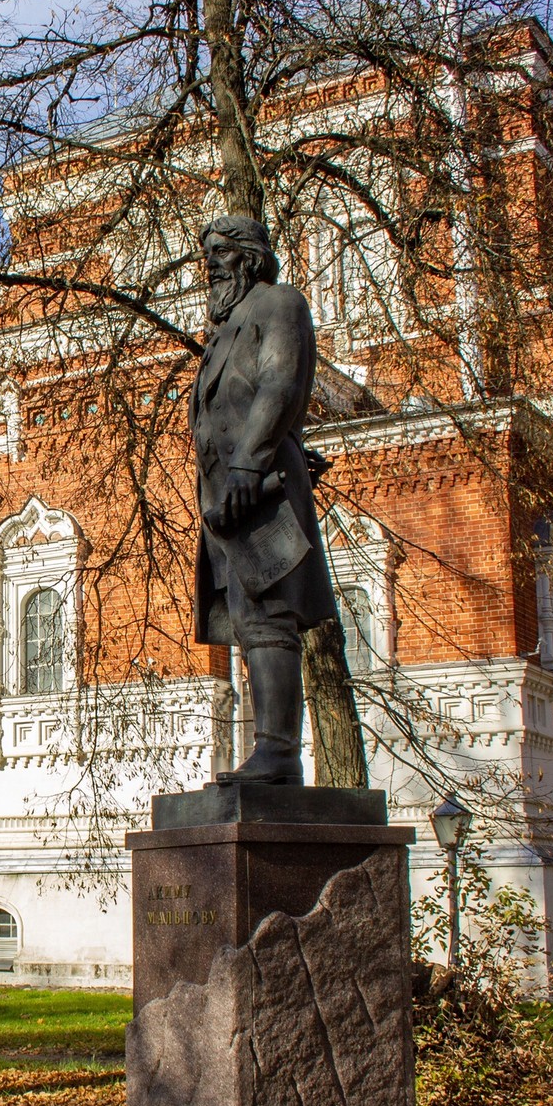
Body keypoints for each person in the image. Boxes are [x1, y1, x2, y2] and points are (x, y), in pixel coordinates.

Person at [190, 215, 337, 785]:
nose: (210, 266)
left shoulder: (279, 304)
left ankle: (279, 753)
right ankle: (271, 749)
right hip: (229, 498)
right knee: (251, 618)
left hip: (261, 485)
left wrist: (251, 459)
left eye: (220, 254)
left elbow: (281, 384)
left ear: (249, 258)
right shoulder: (222, 333)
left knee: (271, 613)